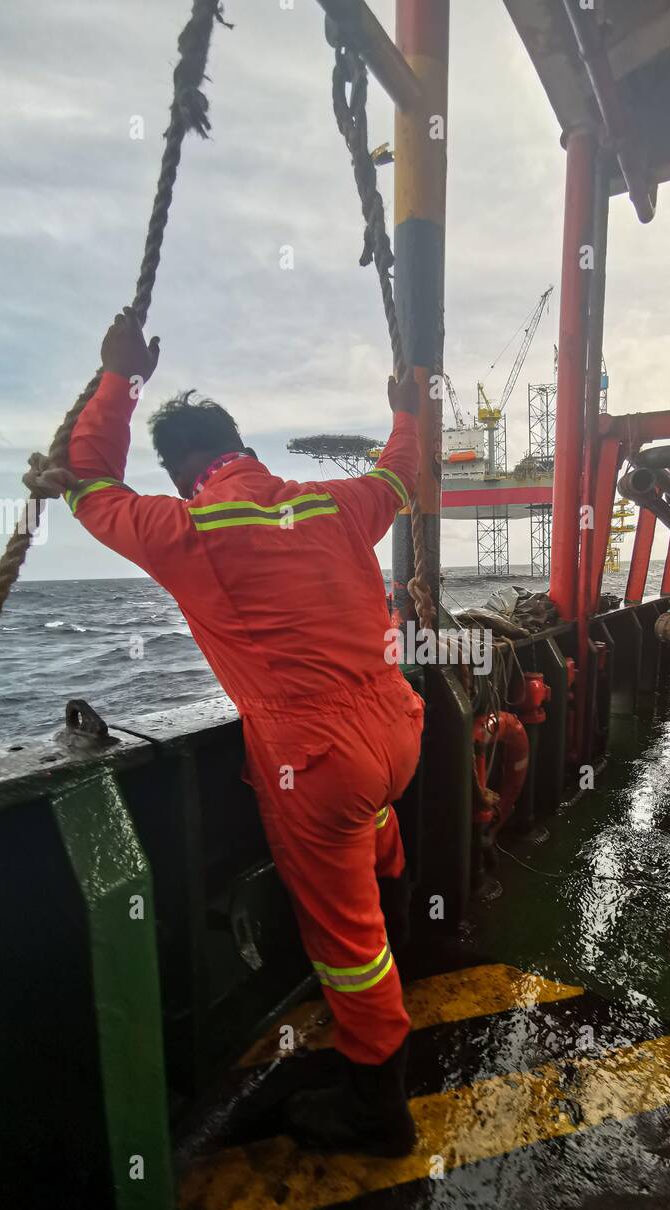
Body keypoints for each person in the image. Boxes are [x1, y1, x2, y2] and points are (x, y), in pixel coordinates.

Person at [64, 306, 425, 1156]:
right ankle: (417, 933)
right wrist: (405, 407)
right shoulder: (336, 506)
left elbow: (86, 482)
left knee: (348, 945)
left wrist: (117, 376)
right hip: (397, 730)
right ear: (240, 444)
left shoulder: (185, 527)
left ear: (183, 470)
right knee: (378, 829)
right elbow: (403, 476)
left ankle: (378, 1108)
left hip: (319, 761)